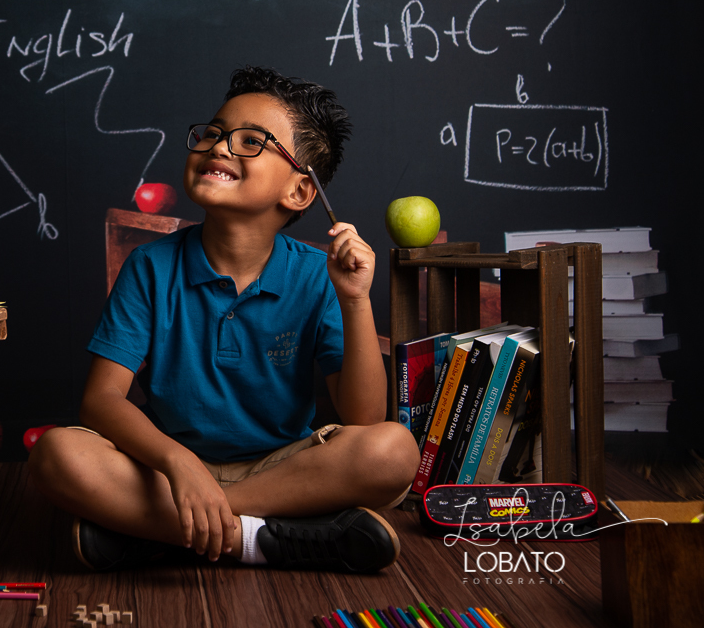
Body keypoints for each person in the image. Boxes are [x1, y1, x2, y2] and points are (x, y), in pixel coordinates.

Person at [28, 66, 420, 574]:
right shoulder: (150, 265)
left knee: (394, 451)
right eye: (212, 133)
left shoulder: (317, 275)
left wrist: (356, 300)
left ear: (300, 192)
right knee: (57, 453)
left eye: (252, 142)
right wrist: (179, 463)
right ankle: (257, 539)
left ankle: (163, 532)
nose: (218, 147)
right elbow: (101, 401)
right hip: (166, 468)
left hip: (285, 470)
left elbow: (362, 419)